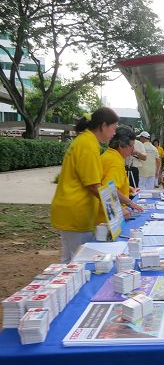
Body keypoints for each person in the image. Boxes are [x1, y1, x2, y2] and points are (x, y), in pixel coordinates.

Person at [51, 107, 119, 263]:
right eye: (113, 128)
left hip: (76, 209)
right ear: (103, 126)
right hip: (76, 210)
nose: (114, 132)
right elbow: (93, 185)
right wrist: (115, 210)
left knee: (70, 259)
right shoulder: (87, 144)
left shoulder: (87, 141)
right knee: (77, 262)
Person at [97, 127, 144, 224]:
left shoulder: (109, 155)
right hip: (106, 219)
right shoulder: (116, 162)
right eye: (131, 146)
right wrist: (130, 203)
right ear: (121, 146)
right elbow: (109, 189)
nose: (133, 150)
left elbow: (107, 182)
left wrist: (127, 188)